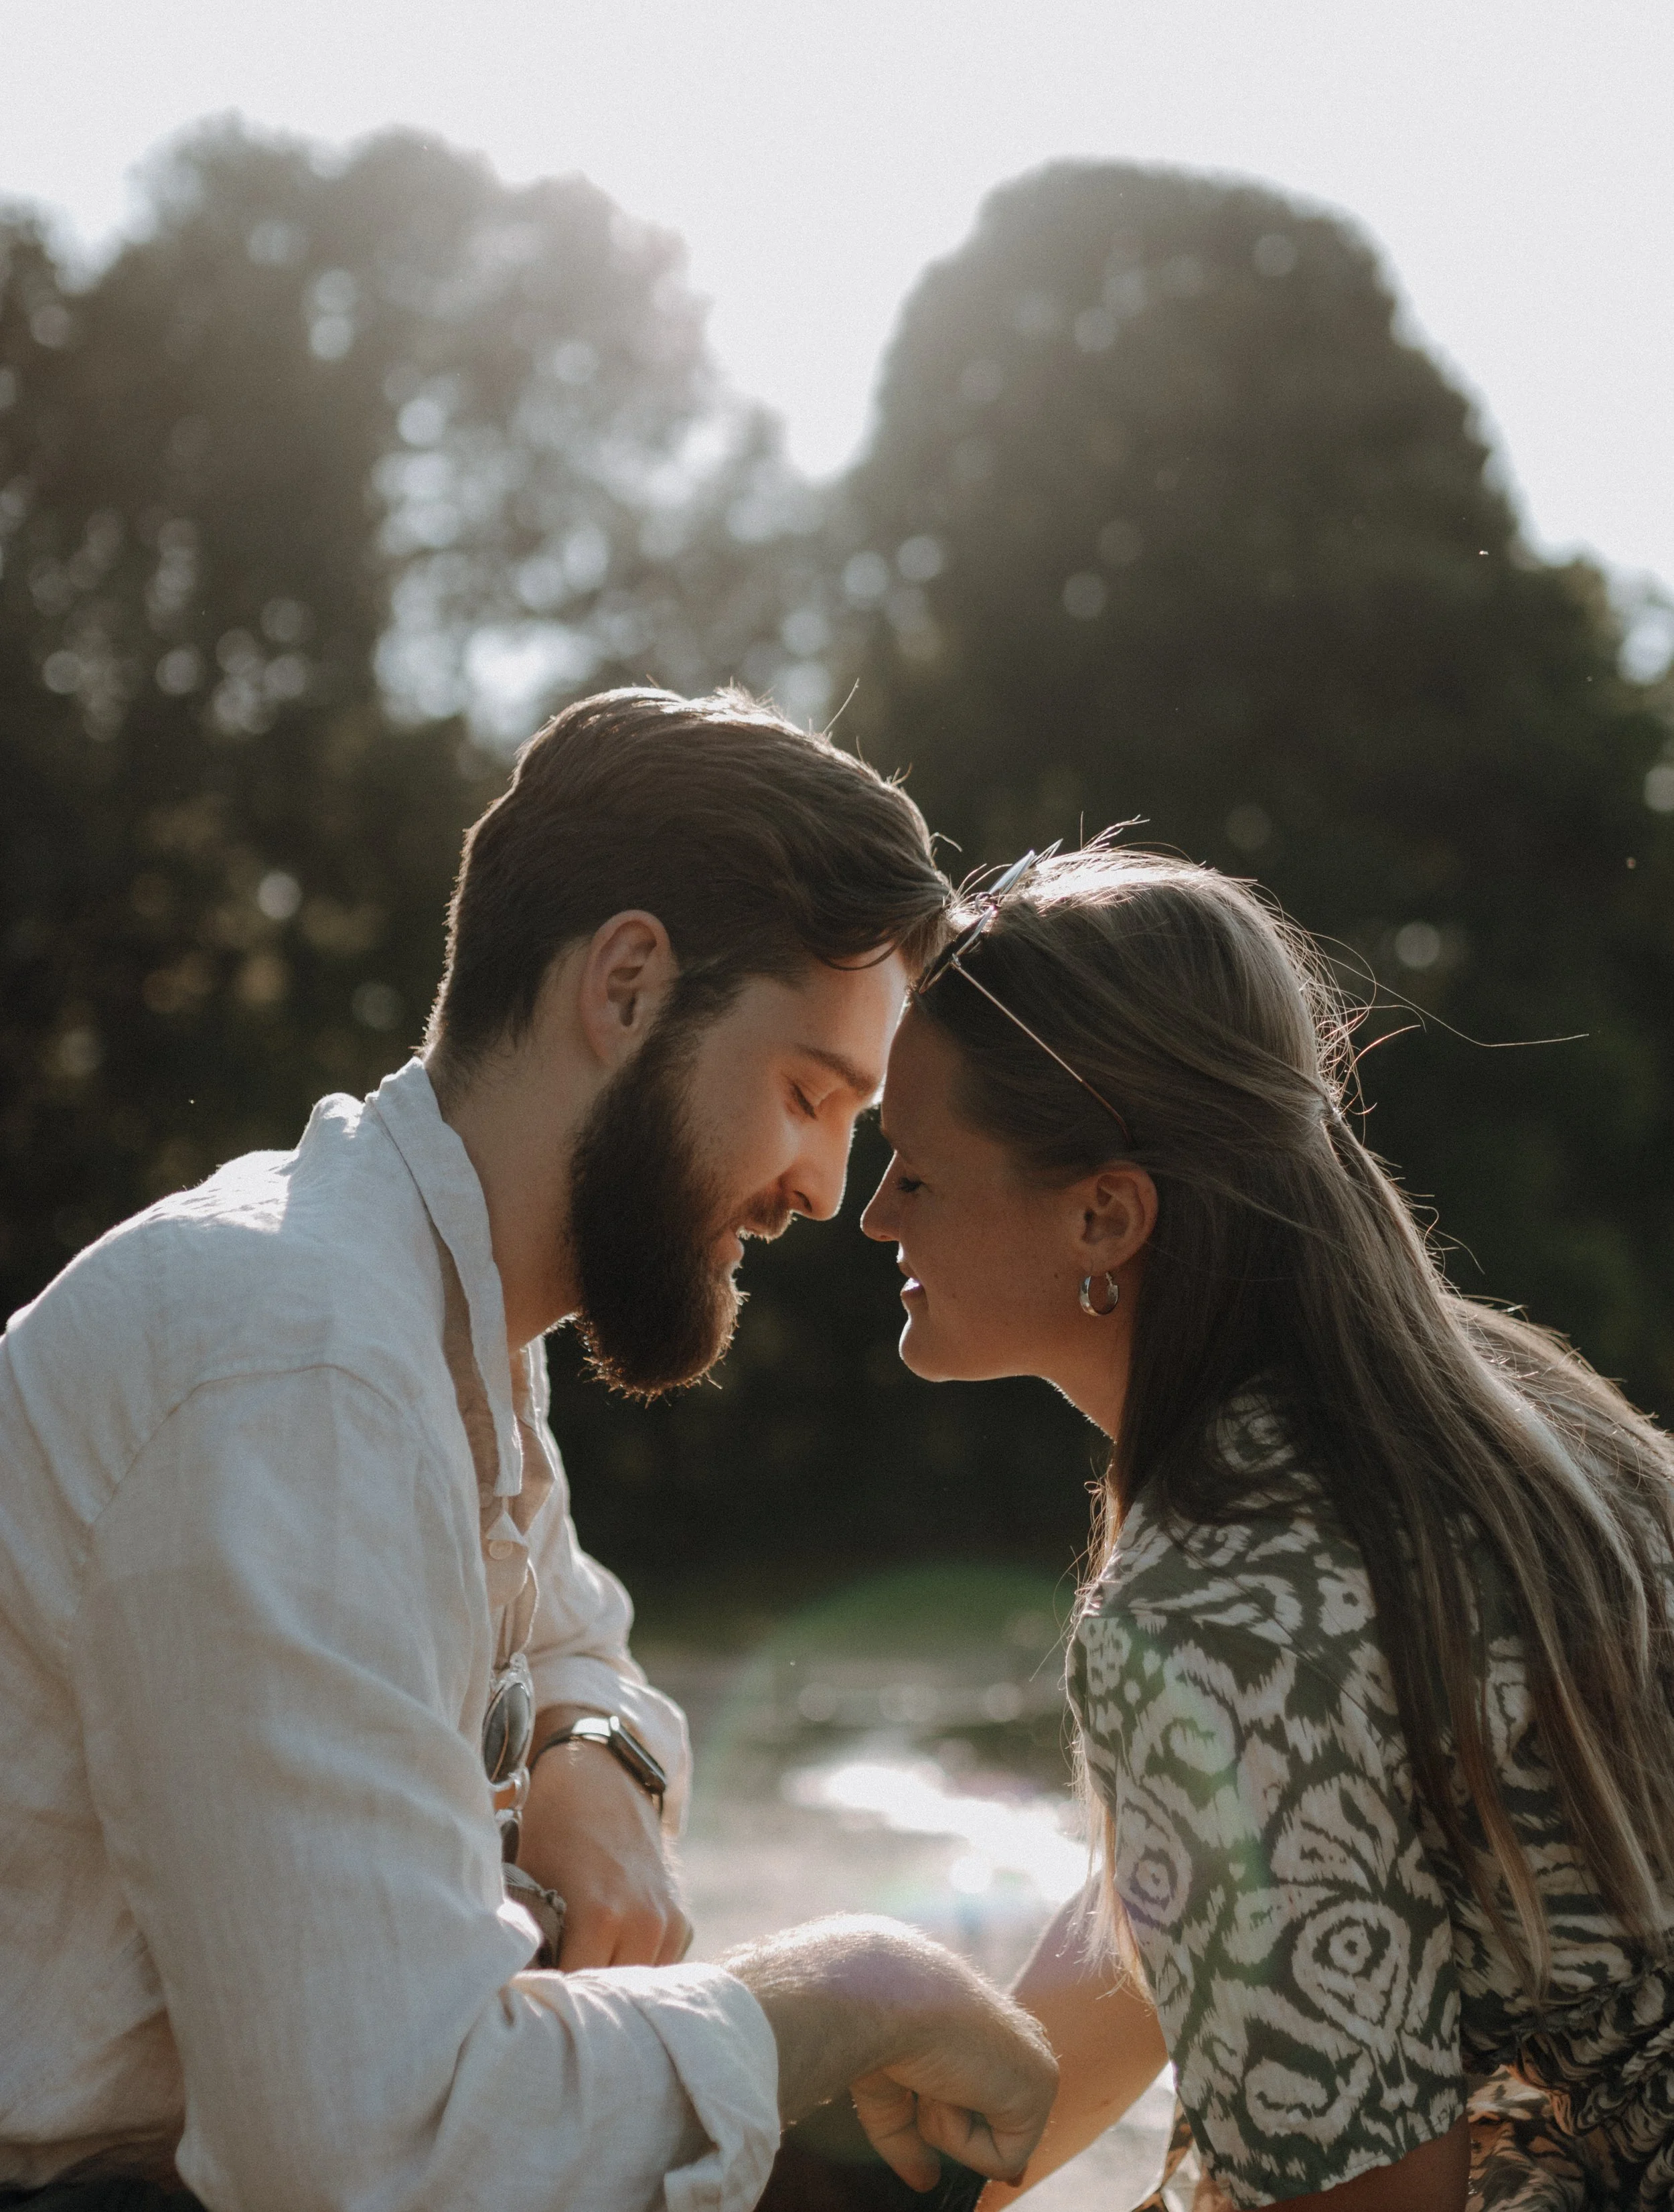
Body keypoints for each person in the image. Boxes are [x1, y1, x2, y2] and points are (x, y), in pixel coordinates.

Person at [0, 688, 1057, 2212]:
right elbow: (370, 2146)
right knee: (844, 2140)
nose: (824, 1187)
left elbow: (576, 1632)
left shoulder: (440, 1307)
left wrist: (590, 1749)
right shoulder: (304, 1373)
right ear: (627, 986)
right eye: (808, 1094)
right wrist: (845, 1991)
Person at [860, 840, 1674, 2211]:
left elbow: (1367, 2198)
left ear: (1103, 1217)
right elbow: (1228, 1877)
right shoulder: (1504, 1408)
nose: (871, 1211)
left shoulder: (1210, 1608)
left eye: (914, 1173)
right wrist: (923, 2168)